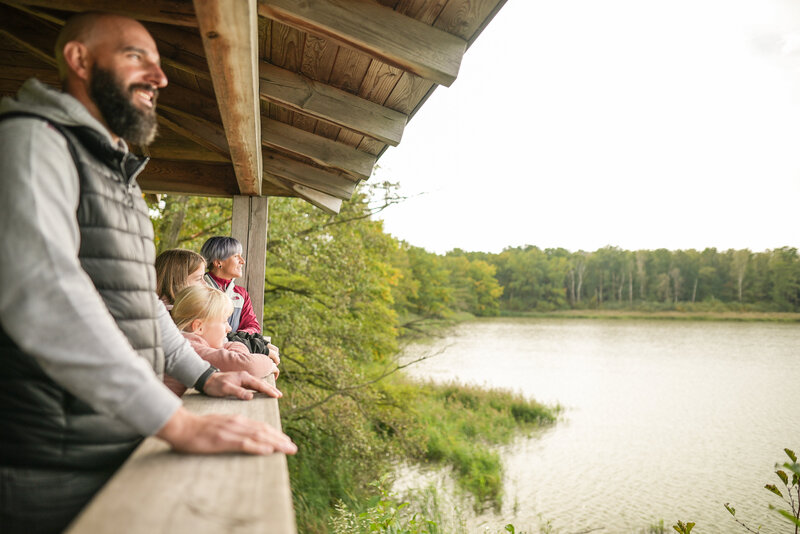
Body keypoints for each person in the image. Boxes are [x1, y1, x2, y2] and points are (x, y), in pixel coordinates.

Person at [0, 12, 295, 533]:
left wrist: (203, 375)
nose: (160, 78)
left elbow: (145, 308)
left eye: (160, 65)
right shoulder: (30, 142)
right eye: (138, 56)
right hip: (46, 463)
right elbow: (44, 293)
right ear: (80, 60)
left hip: (117, 441)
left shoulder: (123, 182)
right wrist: (174, 422)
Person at [165, 285, 280, 396]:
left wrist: (232, 347)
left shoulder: (188, 342)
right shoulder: (190, 348)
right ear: (199, 327)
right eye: (224, 321)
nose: (229, 328)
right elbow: (247, 365)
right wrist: (270, 364)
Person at [201, 236, 261, 334]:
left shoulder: (241, 294)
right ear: (218, 262)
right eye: (236, 256)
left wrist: (234, 338)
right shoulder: (198, 289)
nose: (243, 261)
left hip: (233, 346)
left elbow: (252, 326)